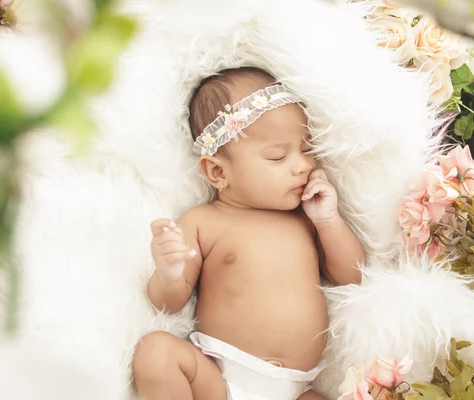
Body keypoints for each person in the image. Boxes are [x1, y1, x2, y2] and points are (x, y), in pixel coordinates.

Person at [133, 66, 365, 400]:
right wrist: (170, 273)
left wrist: (329, 221)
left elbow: (352, 276)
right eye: (278, 155)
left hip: (296, 391)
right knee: (155, 352)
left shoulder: (304, 219)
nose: (302, 165)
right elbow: (167, 303)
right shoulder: (204, 222)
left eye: (306, 149)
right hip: (220, 380)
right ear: (217, 171)